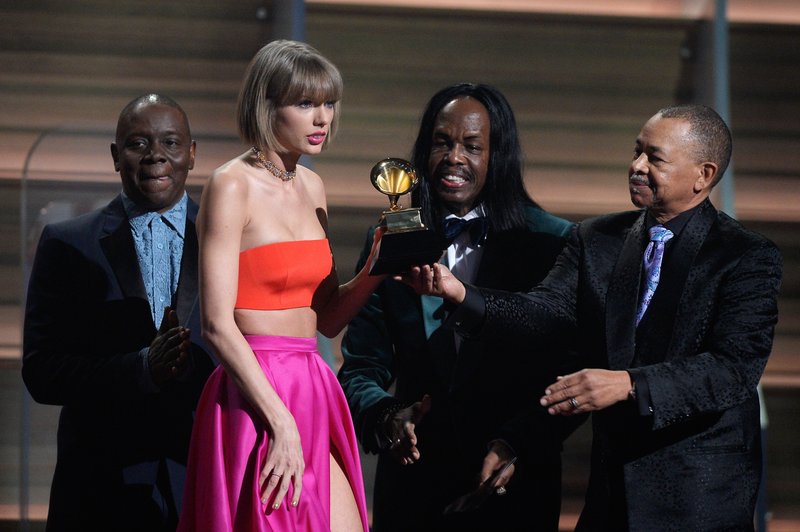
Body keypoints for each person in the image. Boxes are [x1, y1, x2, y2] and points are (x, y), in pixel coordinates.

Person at [411, 104, 783, 530]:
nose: (637, 166)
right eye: (636, 152)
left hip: (699, 502)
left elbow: (733, 369)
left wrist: (627, 384)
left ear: (704, 175)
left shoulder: (746, 256)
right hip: (610, 499)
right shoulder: (596, 239)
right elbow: (544, 316)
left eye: (655, 158)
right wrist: (462, 294)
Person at [338, 83, 584, 531]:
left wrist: (519, 441)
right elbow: (360, 367)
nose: (454, 157)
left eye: (472, 146)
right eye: (442, 142)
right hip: (414, 488)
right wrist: (388, 417)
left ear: (498, 156)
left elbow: (571, 369)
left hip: (512, 483)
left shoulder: (553, 243)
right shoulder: (390, 240)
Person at [177, 40, 384, 532]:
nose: (322, 119)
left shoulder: (313, 186)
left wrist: (378, 264)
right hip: (254, 395)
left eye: (329, 103)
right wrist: (280, 421)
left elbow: (327, 317)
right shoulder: (232, 184)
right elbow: (216, 324)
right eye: (306, 104)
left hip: (314, 384)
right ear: (267, 105)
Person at [22, 93, 216, 531]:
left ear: (192, 153)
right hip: (99, 487)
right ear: (115, 155)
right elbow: (41, 371)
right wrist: (142, 369)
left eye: (170, 142)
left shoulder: (229, 242)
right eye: (138, 143)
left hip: (202, 480)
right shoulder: (68, 243)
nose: (156, 156)